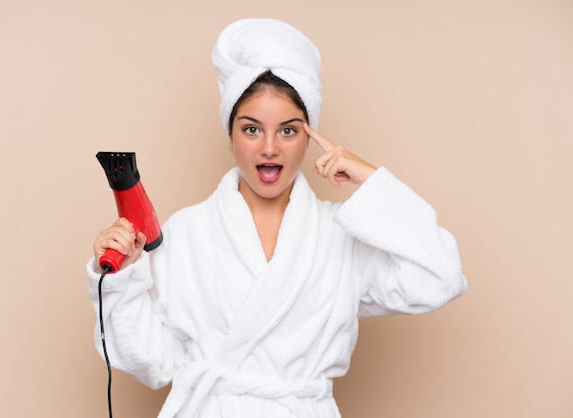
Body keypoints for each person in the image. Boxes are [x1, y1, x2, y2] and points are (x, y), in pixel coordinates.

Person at [87, 18, 467, 418]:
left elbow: (440, 278)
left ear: (310, 136)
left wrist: (372, 182)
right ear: (230, 136)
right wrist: (120, 282)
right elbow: (150, 361)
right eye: (252, 129)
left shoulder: (340, 237)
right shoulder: (185, 232)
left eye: (288, 130)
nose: (269, 147)